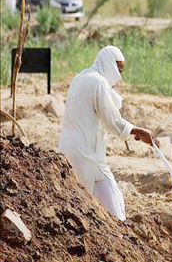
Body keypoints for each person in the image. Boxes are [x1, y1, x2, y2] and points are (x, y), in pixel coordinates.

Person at [59, 46, 155, 221]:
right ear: (108, 63)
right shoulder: (99, 82)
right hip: (86, 152)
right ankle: (120, 234)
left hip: (70, 148)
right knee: (101, 201)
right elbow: (111, 121)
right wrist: (138, 131)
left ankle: (118, 233)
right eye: (118, 69)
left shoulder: (80, 77)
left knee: (96, 198)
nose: (118, 75)